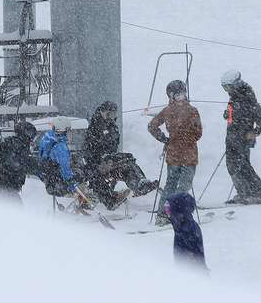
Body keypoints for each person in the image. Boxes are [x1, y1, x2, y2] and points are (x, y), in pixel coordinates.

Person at [83, 101, 158, 209]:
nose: (110, 117)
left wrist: (110, 158)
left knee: (127, 162)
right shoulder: (94, 127)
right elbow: (89, 150)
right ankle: (110, 200)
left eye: (113, 114)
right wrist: (100, 160)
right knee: (95, 176)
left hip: (109, 160)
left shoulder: (112, 127)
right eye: (108, 114)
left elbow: (113, 147)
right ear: (102, 112)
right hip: (96, 162)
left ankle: (139, 184)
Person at [149, 80, 203, 224]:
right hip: (187, 155)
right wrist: (168, 139)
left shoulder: (172, 110)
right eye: (178, 96)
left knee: (172, 185)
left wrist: (167, 139)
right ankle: (174, 214)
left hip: (176, 154)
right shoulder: (191, 111)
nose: (181, 98)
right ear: (171, 96)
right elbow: (198, 133)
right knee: (181, 186)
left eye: (182, 95)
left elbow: (152, 126)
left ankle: (164, 213)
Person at [221, 69, 261, 204]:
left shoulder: (247, 96)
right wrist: (228, 114)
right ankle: (242, 192)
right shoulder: (233, 96)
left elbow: (260, 115)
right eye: (224, 88)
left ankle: (257, 193)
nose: (226, 90)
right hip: (231, 138)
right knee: (231, 166)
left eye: (228, 87)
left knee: (243, 166)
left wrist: (255, 131)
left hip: (243, 138)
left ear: (235, 84)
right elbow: (234, 114)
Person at [0, 120, 40, 199]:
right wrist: (40, 167)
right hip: (2, 187)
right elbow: (21, 162)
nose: (32, 140)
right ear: (27, 134)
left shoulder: (11, 142)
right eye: (32, 136)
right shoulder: (18, 145)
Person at [38, 117, 79, 198]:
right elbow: (65, 168)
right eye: (69, 130)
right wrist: (73, 185)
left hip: (51, 182)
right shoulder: (60, 147)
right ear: (63, 131)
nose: (71, 133)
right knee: (83, 175)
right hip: (59, 185)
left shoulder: (50, 141)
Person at [166, 192, 207, 270]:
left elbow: (194, 260)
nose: (167, 212)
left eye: (169, 209)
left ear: (179, 210)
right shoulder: (180, 225)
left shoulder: (188, 229)